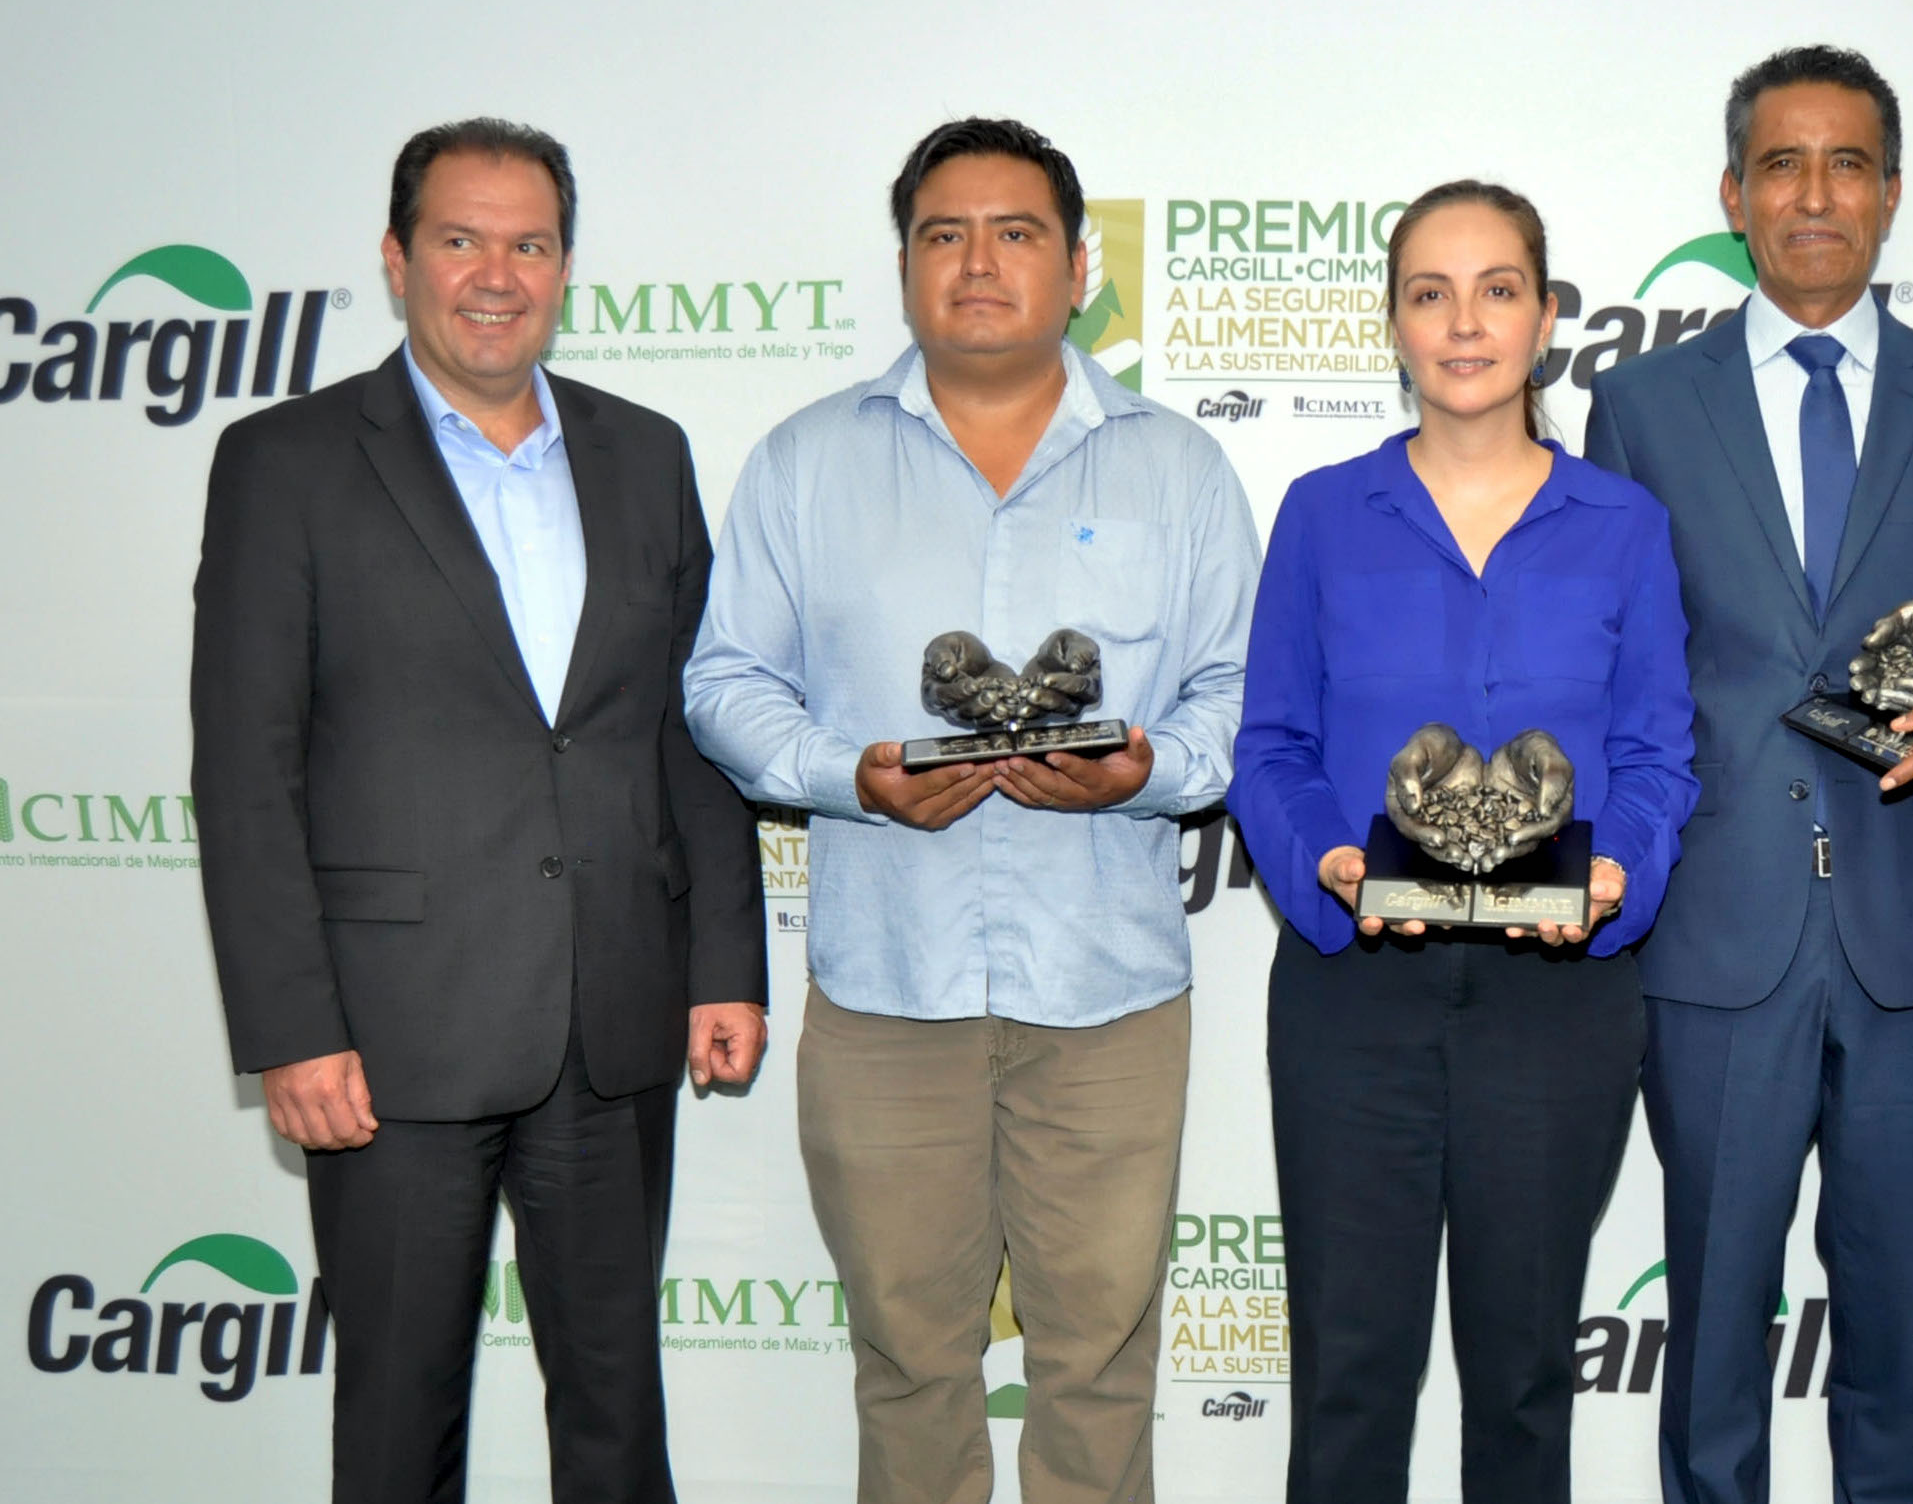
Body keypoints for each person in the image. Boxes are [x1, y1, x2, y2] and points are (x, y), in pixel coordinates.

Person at [193, 117, 769, 1504]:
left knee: (618, 1420)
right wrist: (292, 1025)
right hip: (389, 1040)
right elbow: (243, 764)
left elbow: (686, 731)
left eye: (529, 242)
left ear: (565, 265)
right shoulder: (287, 462)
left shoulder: (646, 453)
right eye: (460, 239)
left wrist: (721, 967)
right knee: (397, 1421)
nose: (495, 273)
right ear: (397, 262)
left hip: (612, 1016)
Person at [683, 117, 1256, 1504]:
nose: (979, 262)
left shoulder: (1175, 470)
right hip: (889, 994)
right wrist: (849, 776)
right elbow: (723, 683)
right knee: (907, 1358)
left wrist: (1151, 772)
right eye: (945, 235)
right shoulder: (806, 462)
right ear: (904, 266)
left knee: (1099, 1361)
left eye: (1015, 233)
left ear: (1076, 265)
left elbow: (1243, 695)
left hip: (1108, 997)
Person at [1583, 47, 1913, 1504]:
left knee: (1893, 1339)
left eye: (1846, 164)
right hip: (1716, 938)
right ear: (1732, 195)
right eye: (1780, 164)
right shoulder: (1640, 408)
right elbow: (1612, 660)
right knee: (1709, 1350)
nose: (1813, 193)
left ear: (1888, 192)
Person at [1229, 181, 1697, 1504]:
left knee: (1522, 1377)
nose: (1464, 321)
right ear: (1394, 323)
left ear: (1546, 318)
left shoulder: (1623, 525)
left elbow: (1661, 753)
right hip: (1353, 996)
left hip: (1558, 998)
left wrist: (1622, 872)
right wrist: (1329, 860)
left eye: (1497, 289)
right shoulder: (1323, 514)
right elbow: (1269, 747)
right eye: (1429, 293)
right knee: (1349, 1374)